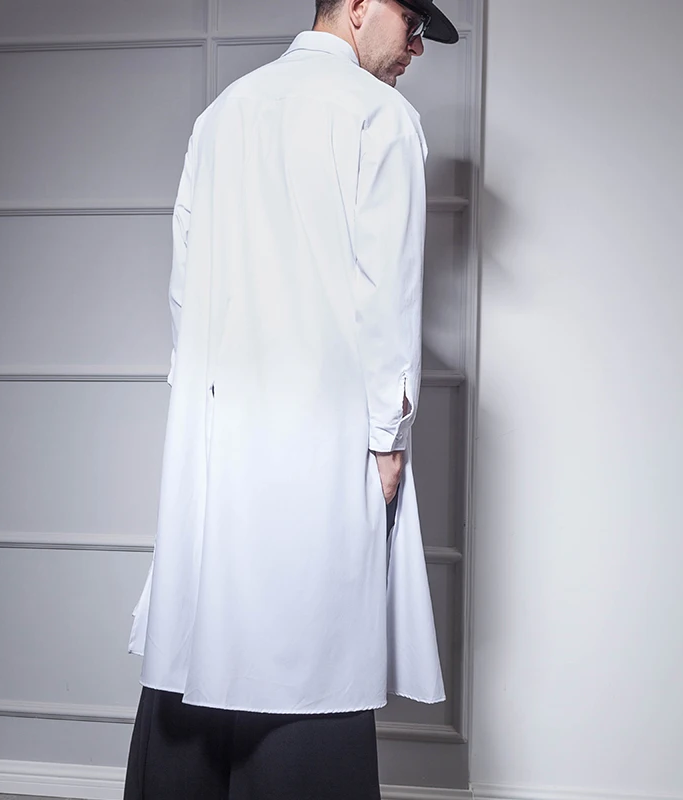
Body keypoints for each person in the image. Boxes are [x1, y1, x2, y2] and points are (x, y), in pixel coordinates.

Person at [124, 0, 459, 797]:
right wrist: (388, 438)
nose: (416, 47)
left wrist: (201, 412)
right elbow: (387, 294)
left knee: (208, 624)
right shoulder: (380, 115)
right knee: (311, 641)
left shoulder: (222, 113)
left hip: (217, 429)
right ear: (359, 6)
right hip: (321, 430)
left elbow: (184, 290)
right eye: (411, 22)